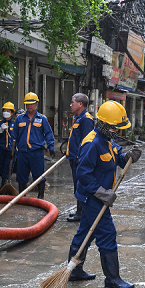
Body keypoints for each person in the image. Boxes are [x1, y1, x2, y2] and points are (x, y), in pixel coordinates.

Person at [66, 101, 141, 288]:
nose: (118, 132)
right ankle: (112, 278)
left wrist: (129, 157)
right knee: (107, 233)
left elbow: (117, 159)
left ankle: (74, 271)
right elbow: (83, 173)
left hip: (99, 196)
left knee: (84, 233)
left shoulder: (108, 141)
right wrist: (100, 192)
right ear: (104, 125)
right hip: (92, 198)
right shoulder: (92, 143)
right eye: (115, 128)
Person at [13, 92, 55, 199]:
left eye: (31, 104)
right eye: (27, 104)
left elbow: (48, 133)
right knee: (21, 176)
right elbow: (14, 136)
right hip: (22, 152)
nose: (29, 106)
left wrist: (51, 146)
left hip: (36, 152)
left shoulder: (42, 119)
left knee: (39, 175)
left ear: (36, 104)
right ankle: (22, 197)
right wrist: (12, 149)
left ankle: (40, 197)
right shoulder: (20, 119)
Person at [65, 93, 95, 222]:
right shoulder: (79, 118)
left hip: (80, 159)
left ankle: (82, 213)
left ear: (80, 104)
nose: (71, 105)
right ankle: (79, 211)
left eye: (73, 102)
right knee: (77, 185)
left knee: (81, 185)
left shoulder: (86, 119)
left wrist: (80, 157)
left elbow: (86, 141)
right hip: (74, 158)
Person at [0, 102, 17, 192]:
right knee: (1, 167)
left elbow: (17, 137)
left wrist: (14, 150)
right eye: (4, 110)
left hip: (10, 151)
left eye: (8, 111)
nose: (6, 112)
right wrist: (0, 130)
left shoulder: (15, 124)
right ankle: (4, 183)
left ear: (12, 113)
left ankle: (4, 184)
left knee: (8, 168)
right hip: (0, 150)